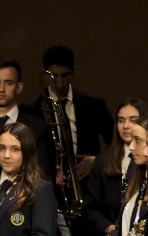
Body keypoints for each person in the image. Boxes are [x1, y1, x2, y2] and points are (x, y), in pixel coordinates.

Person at [22, 45, 113, 180]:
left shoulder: (93, 103)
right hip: (48, 186)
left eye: (65, 75)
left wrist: (96, 161)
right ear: (45, 73)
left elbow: (116, 141)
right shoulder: (30, 109)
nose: (59, 83)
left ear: (73, 71)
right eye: (54, 76)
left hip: (88, 184)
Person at [84, 99, 148, 236]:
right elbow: (89, 207)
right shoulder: (102, 160)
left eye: (133, 120)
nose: (126, 126)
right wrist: (110, 228)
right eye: (121, 121)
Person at [0, 57, 50, 175]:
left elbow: (44, 174)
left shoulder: (38, 128)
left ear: (19, 87)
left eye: (8, 83)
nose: (1, 89)